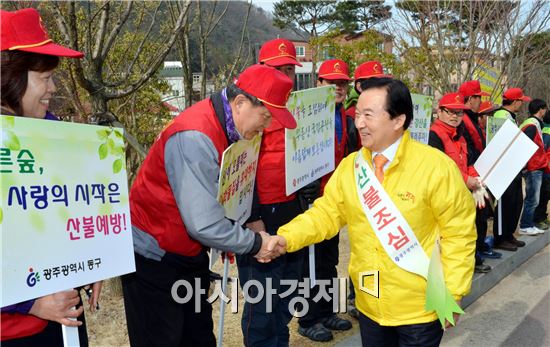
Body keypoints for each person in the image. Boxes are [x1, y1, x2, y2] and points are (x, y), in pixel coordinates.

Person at [270, 77, 477, 347]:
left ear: (398, 120)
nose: (359, 123)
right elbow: (325, 214)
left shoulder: (436, 167)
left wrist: (455, 291)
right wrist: (285, 238)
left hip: (419, 309)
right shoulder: (351, 167)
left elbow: (459, 233)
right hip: (369, 303)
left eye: (368, 115)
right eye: (357, 115)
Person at [121, 64, 294, 347]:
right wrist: (255, 244)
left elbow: (235, 184)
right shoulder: (195, 136)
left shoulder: (235, 129)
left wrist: (251, 218)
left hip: (189, 255)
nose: (268, 125)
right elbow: (204, 223)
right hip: (154, 256)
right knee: (163, 338)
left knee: (198, 336)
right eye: (265, 116)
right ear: (240, 103)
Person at [0, 8, 101, 346]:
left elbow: (67, 213)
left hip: (64, 321)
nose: (53, 87)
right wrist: (32, 303)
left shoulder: (54, 135)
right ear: (8, 77)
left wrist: (92, 263)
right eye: (44, 77)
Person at [237, 38, 307, 347]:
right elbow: (238, 171)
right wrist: (252, 218)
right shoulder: (250, 112)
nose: (286, 76)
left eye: (290, 69)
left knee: (289, 293)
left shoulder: (300, 107)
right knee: (262, 300)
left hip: (292, 211)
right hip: (260, 217)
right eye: (278, 69)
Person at [296, 59, 353, 343]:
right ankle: (308, 319)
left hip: (335, 198)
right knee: (310, 262)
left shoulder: (347, 117)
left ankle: (327, 310)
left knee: (329, 259)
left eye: (342, 83)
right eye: (332, 82)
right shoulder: (305, 114)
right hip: (311, 199)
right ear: (319, 84)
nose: (338, 88)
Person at [344, 60, 393, 318]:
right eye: (373, 83)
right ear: (359, 86)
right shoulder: (354, 115)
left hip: (382, 182)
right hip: (362, 184)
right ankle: (361, 298)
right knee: (363, 247)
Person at [428, 92, 496, 273]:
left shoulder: (459, 134)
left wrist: (476, 179)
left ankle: (468, 264)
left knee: (467, 232)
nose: (455, 117)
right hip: (445, 196)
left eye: (459, 113)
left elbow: (467, 161)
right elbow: (440, 169)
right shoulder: (434, 136)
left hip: (463, 194)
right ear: (439, 111)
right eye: (450, 112)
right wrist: (468, 180)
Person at [457, 80, 498, 269]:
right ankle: (472, 258)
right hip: (469, 177)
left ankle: (478, 251)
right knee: (472, 221)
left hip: (478, 174)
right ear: (470, 99)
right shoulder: (463, 121)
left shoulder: (472, 119)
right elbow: (466, 152)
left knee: (481, 217)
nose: (480, 101)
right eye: (478, 97)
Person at [492, 88, 531, 251]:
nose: (522, 104)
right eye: (521, 101)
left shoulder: (509, 117)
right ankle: (500, 238)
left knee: (516, 202)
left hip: (512, 167)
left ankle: (508, 235)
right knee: (505, 204)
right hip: (503, 168)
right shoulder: (501, 116)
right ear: (515, 102)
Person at [345, 61, 392, 154]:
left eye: (381, 83)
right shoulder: (351, 116)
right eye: (373, 83)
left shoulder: (388, 110)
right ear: (359, 87)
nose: (378, 87)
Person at [518, 99, 548, 235]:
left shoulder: (533, 123)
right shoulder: (532, 125)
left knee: (533, 198)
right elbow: (523, 146)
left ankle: (529, 224)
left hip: (535, 166)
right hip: (533, 167)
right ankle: (525, 225)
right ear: (541, 109)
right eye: (545, 109)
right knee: (532, 199)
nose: (545, 111)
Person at [534, 109, 550, 230]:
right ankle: (538, 219)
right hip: (545, 169)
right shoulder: (547, 132)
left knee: (546, 194)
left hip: (546, 168)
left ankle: (543, 217)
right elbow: (543, 151)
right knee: (543, 194)